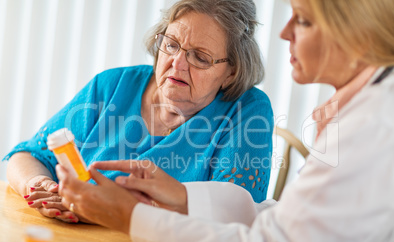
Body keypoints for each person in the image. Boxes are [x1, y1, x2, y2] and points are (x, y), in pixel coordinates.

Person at [58, 0, 394, 242]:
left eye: (303, 19)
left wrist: (133, 218)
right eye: (172, 45)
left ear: (360, 34)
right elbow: (293, 225)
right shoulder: (371, 105)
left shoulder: (377, 124)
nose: (284, 33)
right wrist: (183, 198)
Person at [4, 0, 274, 223]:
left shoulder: (248, 110)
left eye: (200, 57)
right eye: (171, 45)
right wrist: (41, 187)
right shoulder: (111, 86)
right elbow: (28, 155)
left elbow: (234, 217)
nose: (177, 63)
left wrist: (105, 209)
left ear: (232, 72)